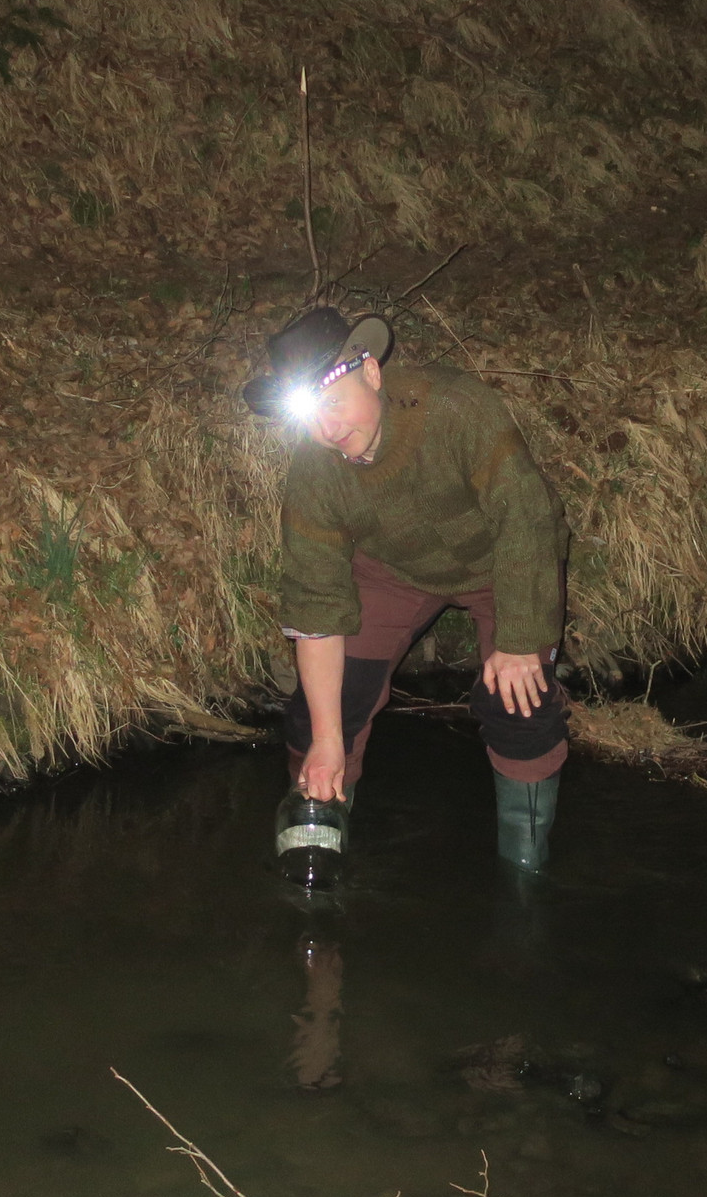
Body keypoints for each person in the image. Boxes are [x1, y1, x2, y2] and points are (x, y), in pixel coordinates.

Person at [243, 307, 570, 871]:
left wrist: (520, 641)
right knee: (322, 714)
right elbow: (317, 603)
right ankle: (317, 842)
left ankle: (526, 870)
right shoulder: (316, 470)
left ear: (370, 372)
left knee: (520, 704)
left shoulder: (452, 407)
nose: (328, 430)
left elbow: (525, 517)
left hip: (503, 561)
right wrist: (327, 740)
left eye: (334, 401)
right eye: (311, 415)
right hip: (393, 570)